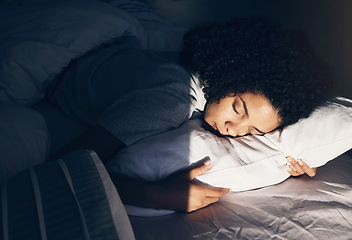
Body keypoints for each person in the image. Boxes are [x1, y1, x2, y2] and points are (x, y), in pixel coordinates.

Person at [47, 17, 334, 212]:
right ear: (229, 75)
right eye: (237, 108)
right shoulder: (170, 101)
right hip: (66, 69)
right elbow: (63, 168)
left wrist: (291, 160)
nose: (233, 129)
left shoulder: (208, 92)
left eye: (253, 132)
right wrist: (155, 196)